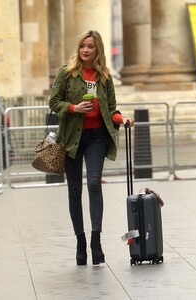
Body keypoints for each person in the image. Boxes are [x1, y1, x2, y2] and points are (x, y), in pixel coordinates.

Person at [49, 30, 134, 266]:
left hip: (97, 136)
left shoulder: (104, 76)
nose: (86, 50)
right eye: (83, 46)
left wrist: (122, 118)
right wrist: (75, 108)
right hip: (71, 138)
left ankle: (96, 241)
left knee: (94, 183)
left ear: (98, 50)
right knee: (74, 190)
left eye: (91, 46)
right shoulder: (67, 73)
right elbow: (53, 102)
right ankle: (80, 241)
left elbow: (112, 110)